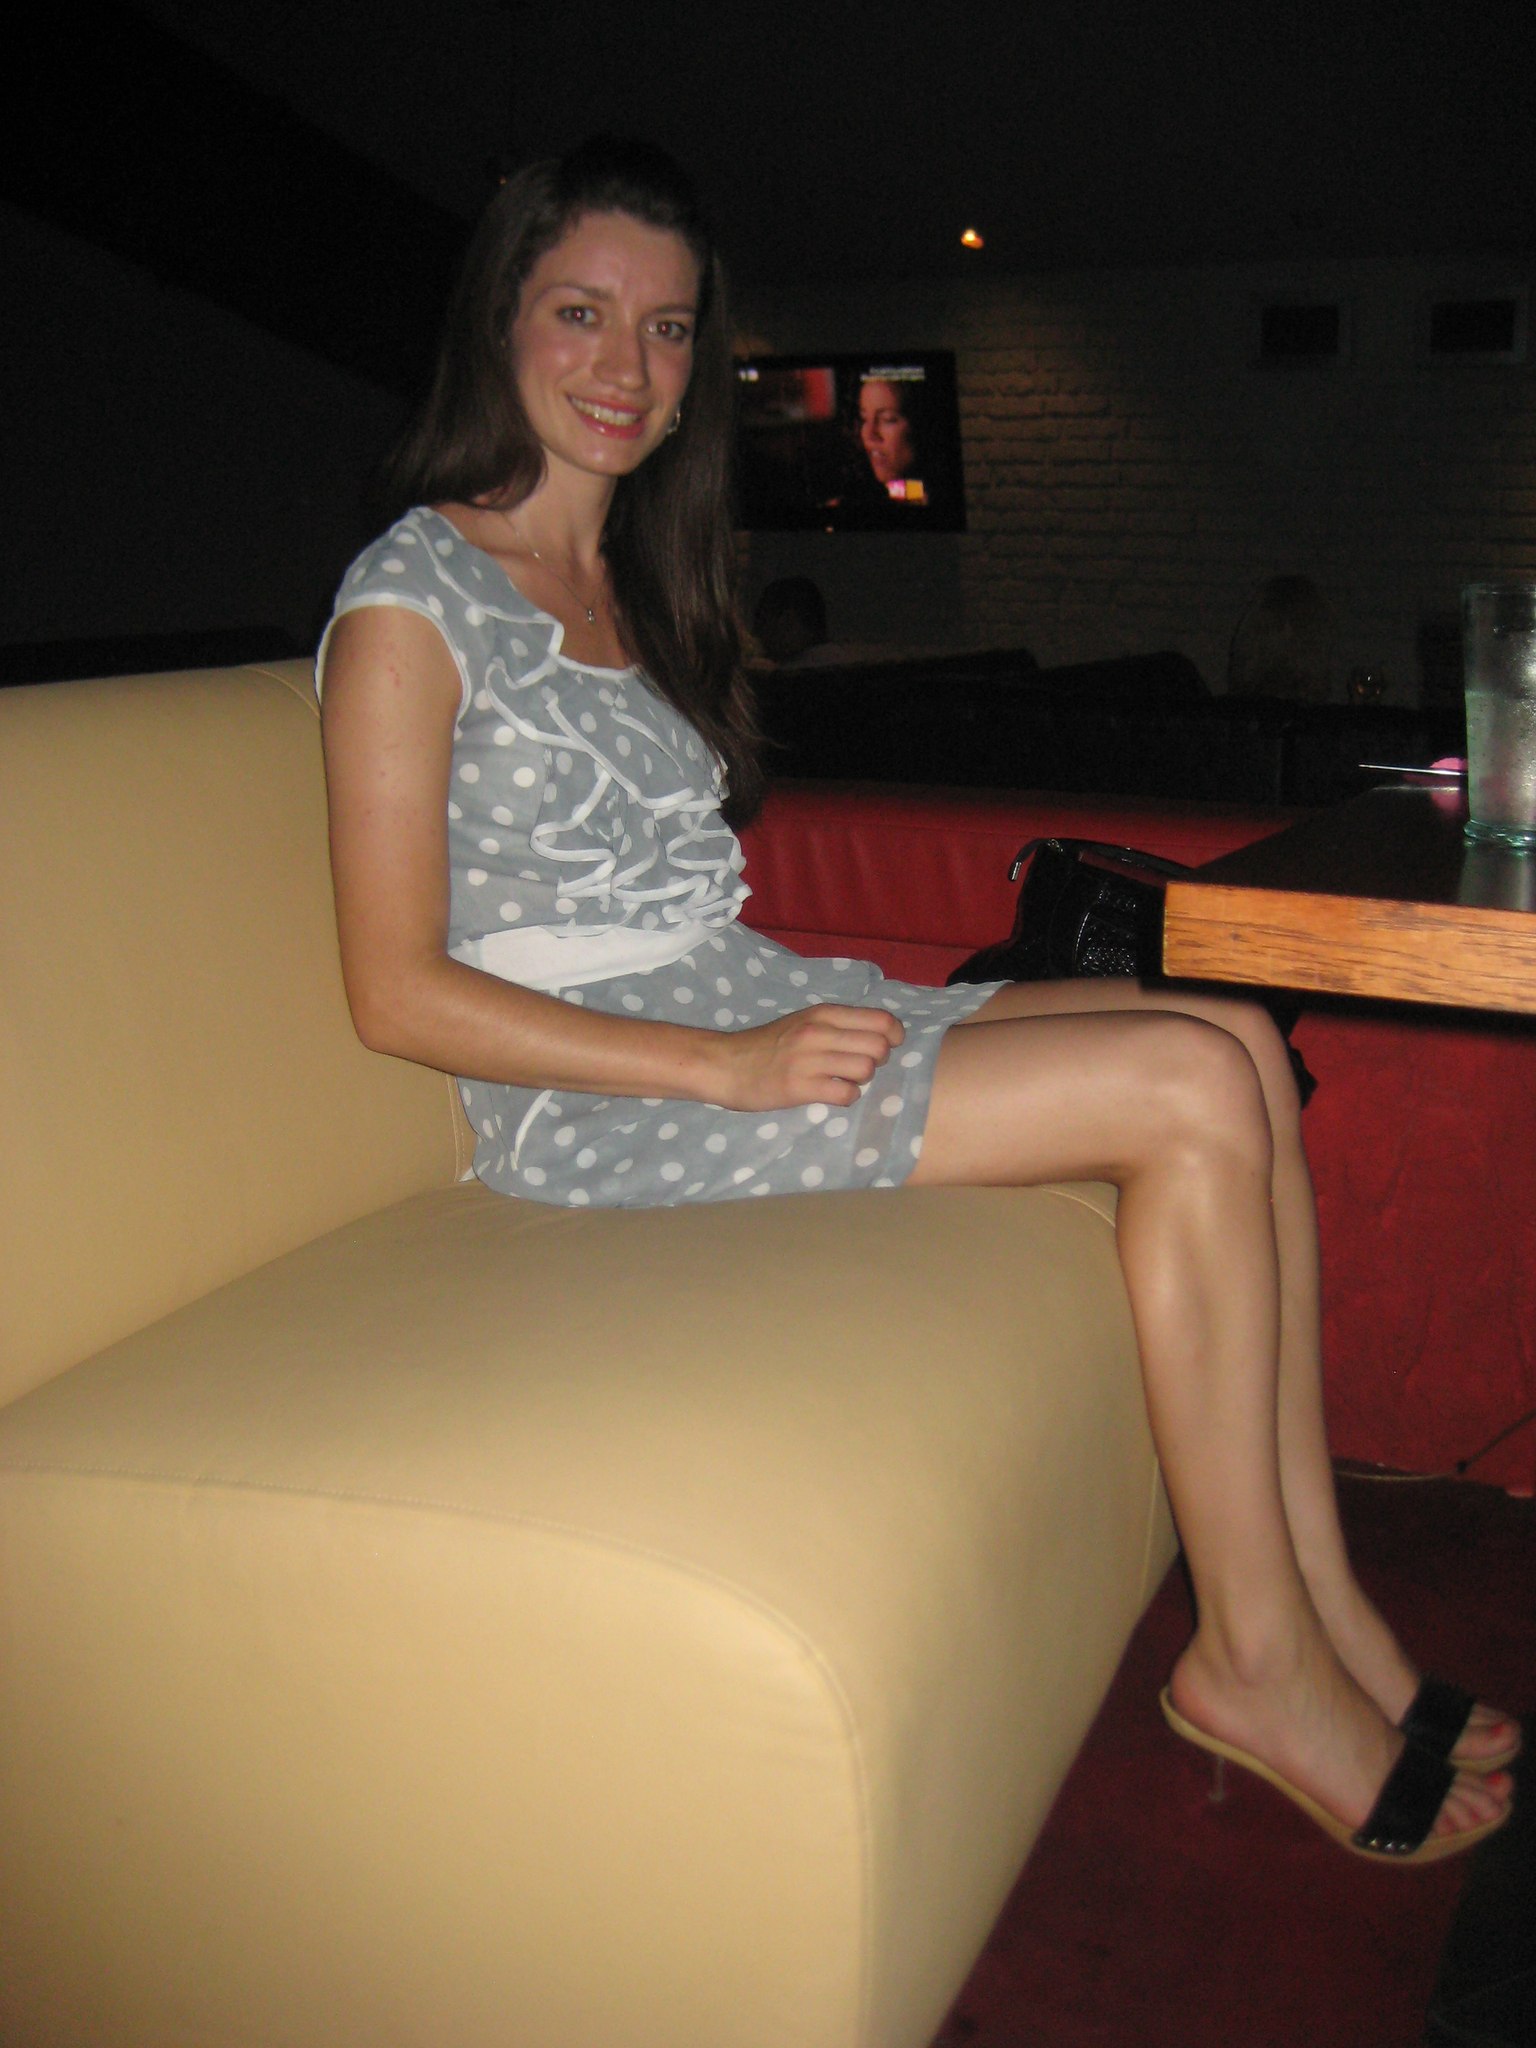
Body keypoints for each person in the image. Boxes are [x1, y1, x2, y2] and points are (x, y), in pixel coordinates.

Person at [318, 137, 1516, 1866]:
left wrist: (755, 1029)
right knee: (1186, 1088)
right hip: (602, 1102)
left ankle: (1328, 1605)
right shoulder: (409, 596)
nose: (625, 366)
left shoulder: (636, 581)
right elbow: (394, 990)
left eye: (667, 329)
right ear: (499, 318)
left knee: (1241, 1041)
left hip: (744, 1001)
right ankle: (1254, 1662)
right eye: (581, 313)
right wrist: (723, 1069)